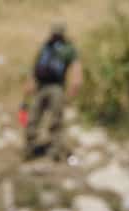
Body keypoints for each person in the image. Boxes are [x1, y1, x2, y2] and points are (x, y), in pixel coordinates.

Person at [24, 22, 82, 161]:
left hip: (57, 87)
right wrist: (30, 83)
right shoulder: (46, 47)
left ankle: (55, 152)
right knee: (33, 118)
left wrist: (75, 85)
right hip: (41, 87)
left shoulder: (69, 49)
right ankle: (30, 149)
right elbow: (35, 66)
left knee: (56, 120)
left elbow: (76, 67)